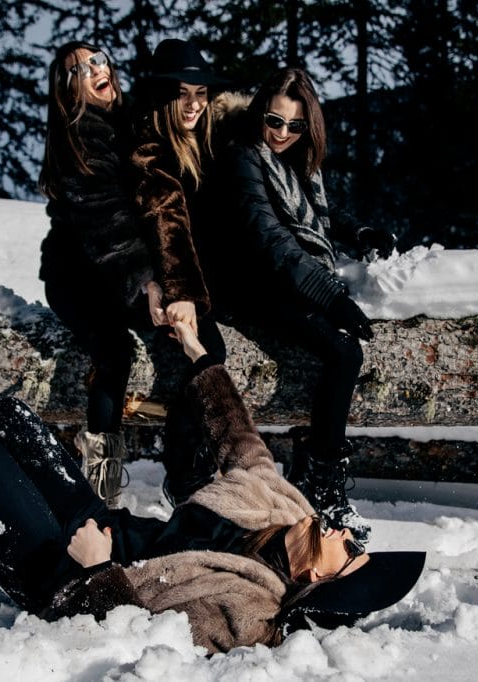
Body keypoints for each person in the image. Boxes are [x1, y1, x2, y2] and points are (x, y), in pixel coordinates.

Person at [0, 320, 425, 654]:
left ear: (318, 579)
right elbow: (240, 439)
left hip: (65, 568)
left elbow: (145, 628)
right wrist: (199, 356)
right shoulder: (285, 507)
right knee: (6, 417)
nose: (345, 528)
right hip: (96, 520)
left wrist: (97, 572)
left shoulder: (248, 613)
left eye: (350, 547)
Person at [196, 68, 396, 529]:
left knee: (343, 349)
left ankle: (315, 476)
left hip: (277, 276)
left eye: (294, 125)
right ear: (259, 114)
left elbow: (316, 216)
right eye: (274, 121)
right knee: (343, 352)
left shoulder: (294, 162)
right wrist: (330, 296)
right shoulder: (244, 157)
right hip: (245, 283)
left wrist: (358, 231)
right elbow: (270, 238)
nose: (283, 133)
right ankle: (321, 482)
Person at [37, 41, 158, 506]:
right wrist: (148, 281)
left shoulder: (131, 121)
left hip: (114, 269)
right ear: (68, 94)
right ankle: (99, 484)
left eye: (96, 60)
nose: (91, 71)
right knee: (114, 351)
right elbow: (109, 224)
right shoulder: (79, 141)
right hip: (76, 277)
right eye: (76, 72)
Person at [128, 38, 230, 504]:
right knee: (205, 351)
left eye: (201, 93)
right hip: (156, 285)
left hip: (193, 281)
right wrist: (179, 291)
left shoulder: (203, 140)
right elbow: (165, 219)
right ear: (164, 96)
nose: (193, 104)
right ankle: (188, 481)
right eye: (183, 93)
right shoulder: (150, 146)